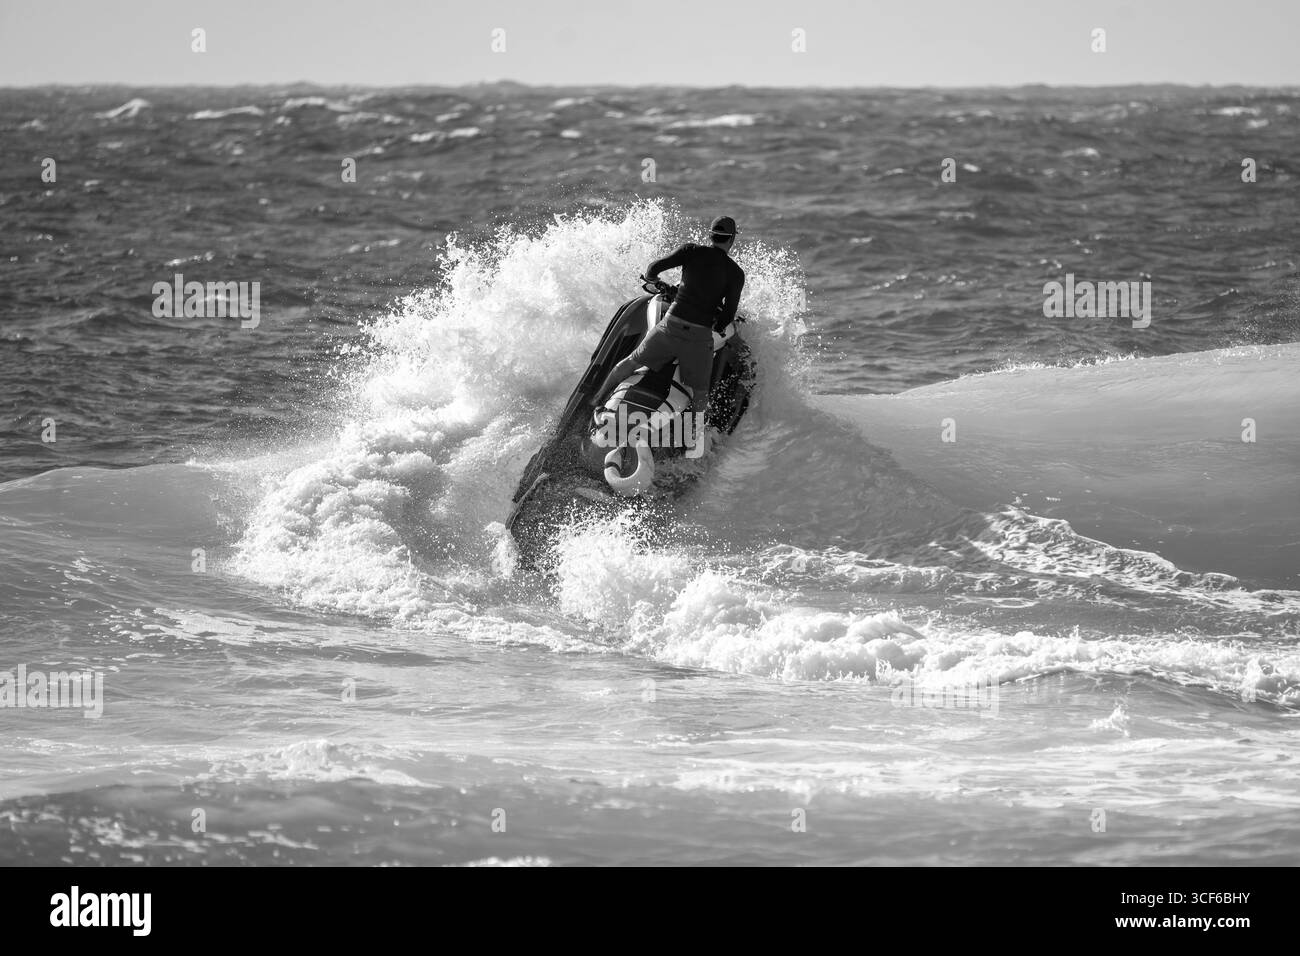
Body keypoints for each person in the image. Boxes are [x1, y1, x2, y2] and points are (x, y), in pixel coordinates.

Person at [591, 216, 745, 418]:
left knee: (631, 362)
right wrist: (716, 323)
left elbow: (653, 269)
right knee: (700, 392)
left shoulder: (691, 251)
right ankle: (694, 436)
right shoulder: (736, 273)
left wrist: (654, 282)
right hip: (698, 339)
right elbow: (728, 315)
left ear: (710, 236)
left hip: (670, 327)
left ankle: (596, 400)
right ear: (731, 240)